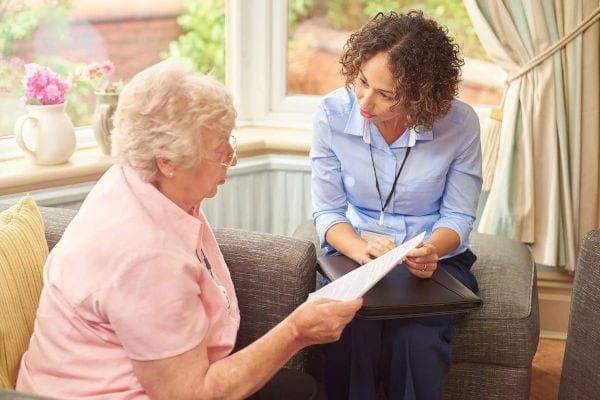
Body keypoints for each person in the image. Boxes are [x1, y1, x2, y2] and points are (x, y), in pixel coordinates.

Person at [16, 58, 362, 400]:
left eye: (231, 141)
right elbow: (191, 394)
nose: (232, 158)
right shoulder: (144, 258)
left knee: (304, 390)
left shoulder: (136, 179)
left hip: (144, 375)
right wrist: (296, 332)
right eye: (219, 151)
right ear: (167, 162)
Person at [310, 10, 483, 400]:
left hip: (433, 259)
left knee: (415, 340)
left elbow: (458, 215)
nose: (365, 103)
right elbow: (328, 213)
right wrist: (357, 248)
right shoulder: (331, 114)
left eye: (386, 94)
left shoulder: (459, 124)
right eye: (362, 82)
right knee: (352, 328)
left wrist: (431, 251)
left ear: (422, 94)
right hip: (353, 253)